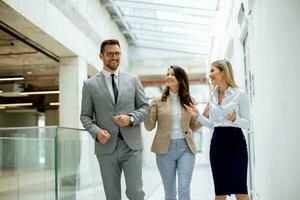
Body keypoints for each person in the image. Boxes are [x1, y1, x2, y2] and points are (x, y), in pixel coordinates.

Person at [80, 39, 150, 200]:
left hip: (131, 146)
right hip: (106, 147)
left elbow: (145, 107)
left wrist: (131, 118)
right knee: (112, 196)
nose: (114, 57)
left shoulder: (133, 80)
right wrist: (96, 132)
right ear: (101, 56)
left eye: (117, 53)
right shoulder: (90, 84)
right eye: (110, 54)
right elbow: (85, 116)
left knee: (136, 193)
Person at [185, 60, 250, 200]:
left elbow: (247, 124)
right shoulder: (213, 96)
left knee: (241, 191)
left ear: (223, 72)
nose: (210, 74)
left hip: (236, 145)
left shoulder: (240, 94)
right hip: (217, 145)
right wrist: (197, 115)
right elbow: (213, 124)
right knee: (220, 192)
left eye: (213, 71)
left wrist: (235, 119)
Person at [144, 65, 202, 200]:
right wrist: (145, 110)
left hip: (186, 149)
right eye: (167, 74)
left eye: (172, 74)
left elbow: (194, 126)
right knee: (170, 193)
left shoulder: (190, 100)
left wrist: (203, 114)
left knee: (184, 188)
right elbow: (149, 126)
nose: (168, 76)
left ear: (180, 79)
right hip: (164, 150)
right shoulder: (157, 100)